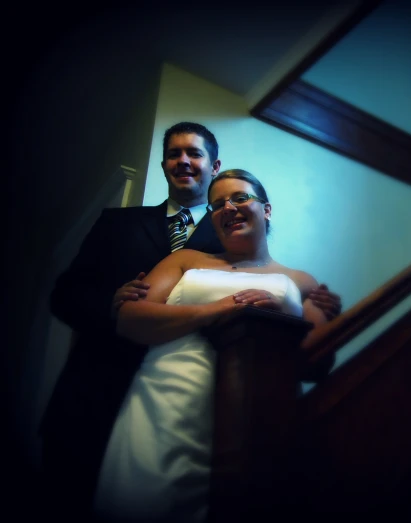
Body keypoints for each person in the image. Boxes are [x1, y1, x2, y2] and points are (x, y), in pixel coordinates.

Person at [40, 123, 341, 518]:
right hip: (109, 393)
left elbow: (312, 358)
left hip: (232, 405)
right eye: (174, 153)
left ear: (212, 165)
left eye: (194, 153)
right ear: (164, 165)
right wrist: (115, 305)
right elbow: (68, 296)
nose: (183, 161)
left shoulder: (240, 241)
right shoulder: (119, 225)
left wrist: (311, 315)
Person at [92, 168, 329, 521]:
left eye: (240, 198)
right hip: (168, 399)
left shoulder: (301, 281)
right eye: (217, 204)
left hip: (258, 416)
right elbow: (129, 320)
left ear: (266, 209)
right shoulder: (184, 261)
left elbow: (318, 362)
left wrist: (280, 317)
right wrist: (224, 308)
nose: (227, 208)